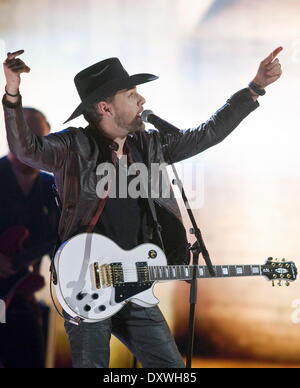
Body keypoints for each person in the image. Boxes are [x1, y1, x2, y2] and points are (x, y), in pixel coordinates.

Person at [2, 48, 282, 368]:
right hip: (85, 283)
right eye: (132, 94)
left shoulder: (149, 144)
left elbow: (206, 134)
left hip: (135, 284)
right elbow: (26, 149)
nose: (142, 101)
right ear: (105, 107)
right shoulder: (73, 146)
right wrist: (12, 92)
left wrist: (254, 89)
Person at [0, 106, 59, 368]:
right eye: (26, 136)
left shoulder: (53, 187)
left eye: (40, 140)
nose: (33, 146)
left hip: (23, 296)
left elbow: (58, 241)